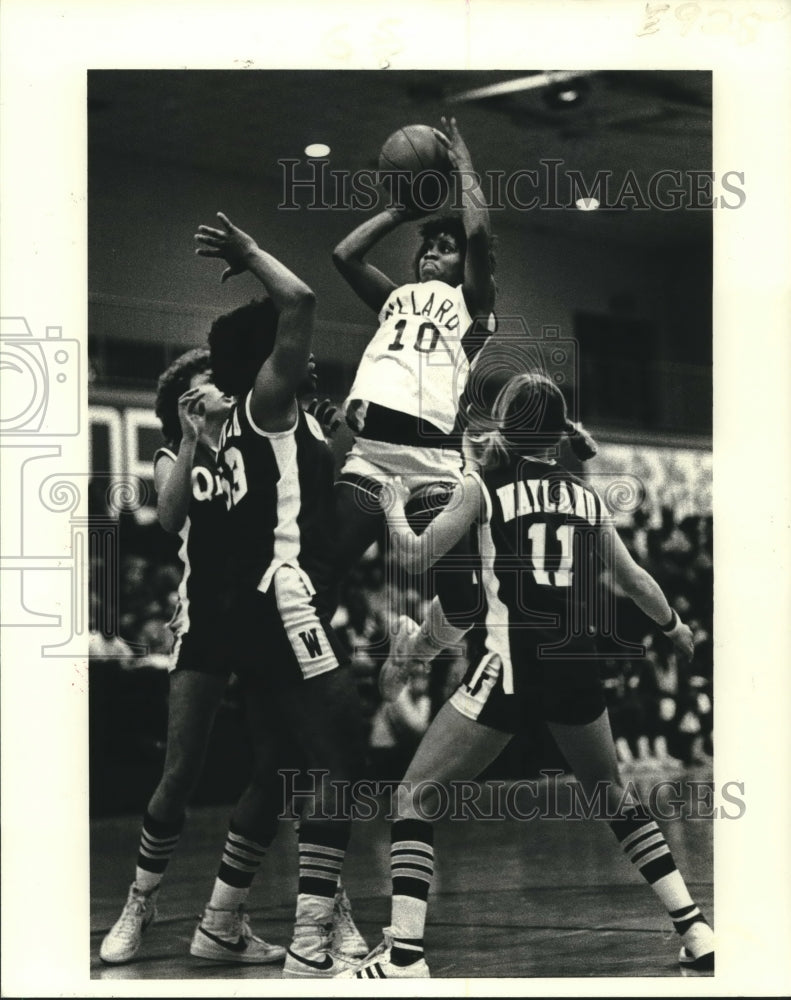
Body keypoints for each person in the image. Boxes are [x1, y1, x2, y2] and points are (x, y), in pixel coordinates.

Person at [341, 371, 714, 978]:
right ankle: (695, 928)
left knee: (414, 795)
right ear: (556, 433)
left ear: (509, 425)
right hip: (575, 666)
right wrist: (673, 626)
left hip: (509, 664)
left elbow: (413, 555)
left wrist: (387, 502)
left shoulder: (483, 487)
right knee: (612, 795)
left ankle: (404, 955)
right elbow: (634, 583)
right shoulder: (585, 498)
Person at [99, 348, 366, 968]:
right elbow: (168, 517)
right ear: (180, 409)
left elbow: (313, 482)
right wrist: (193, 436)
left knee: (288, 763)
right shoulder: (176, 452)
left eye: (215, 386)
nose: (213, 394)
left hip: (265, 612)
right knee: (182, 769)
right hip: (207, 622)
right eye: (197, 392)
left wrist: (335, 427)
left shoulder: (255, 440)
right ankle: (140, 901)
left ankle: (312, 908)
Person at [195, 211, 367, 978]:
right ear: (267, 361)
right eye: (281, 347)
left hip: (242, 612)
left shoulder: (243, 425)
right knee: (338, 755)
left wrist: (339, 444)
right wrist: (252, 253)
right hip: (281, 598)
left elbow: (294, 489)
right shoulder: (266, 402)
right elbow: (299, 301)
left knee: (273, 769)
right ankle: (309, 944)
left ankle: (219, 922)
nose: (295, 349)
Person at [331, 116, 497, 639]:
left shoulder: (471, 302)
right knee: (322, 564)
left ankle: (412, 652)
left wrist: (465, 167)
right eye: (427, 248)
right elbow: (344, 254)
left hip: (431, 459)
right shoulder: (395, 298)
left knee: (465, 604)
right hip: (372, 452)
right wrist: (397, 212)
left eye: (444, 249)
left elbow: (477, 234)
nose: (431, 253)